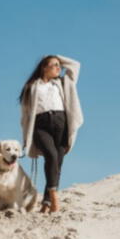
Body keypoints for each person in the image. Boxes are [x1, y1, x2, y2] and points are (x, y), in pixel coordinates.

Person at [18, 55, 83, 213]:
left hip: (61, 123)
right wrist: (26, 136)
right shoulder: (31, 86)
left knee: (57, 162)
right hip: (40, 125)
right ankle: (54, 196)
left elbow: (75, 65)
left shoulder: (63, 82)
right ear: (44, 67)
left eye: (59, 66)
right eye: (54, 65)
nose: (58, 68)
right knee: (51, 156)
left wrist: (56, 58)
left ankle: (46, 202)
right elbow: (26, 115)